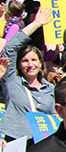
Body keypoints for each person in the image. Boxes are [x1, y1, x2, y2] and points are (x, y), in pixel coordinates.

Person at [0, 8, 55, 140]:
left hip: (42, 143)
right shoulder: (12, 81)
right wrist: (36, 24)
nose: (30, 65)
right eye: (25, 61)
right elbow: (10, 47)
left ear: (41, 63)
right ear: (19, 64)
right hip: (15, 140)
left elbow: (54, 116)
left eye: (34, 60)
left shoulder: (49, 88)